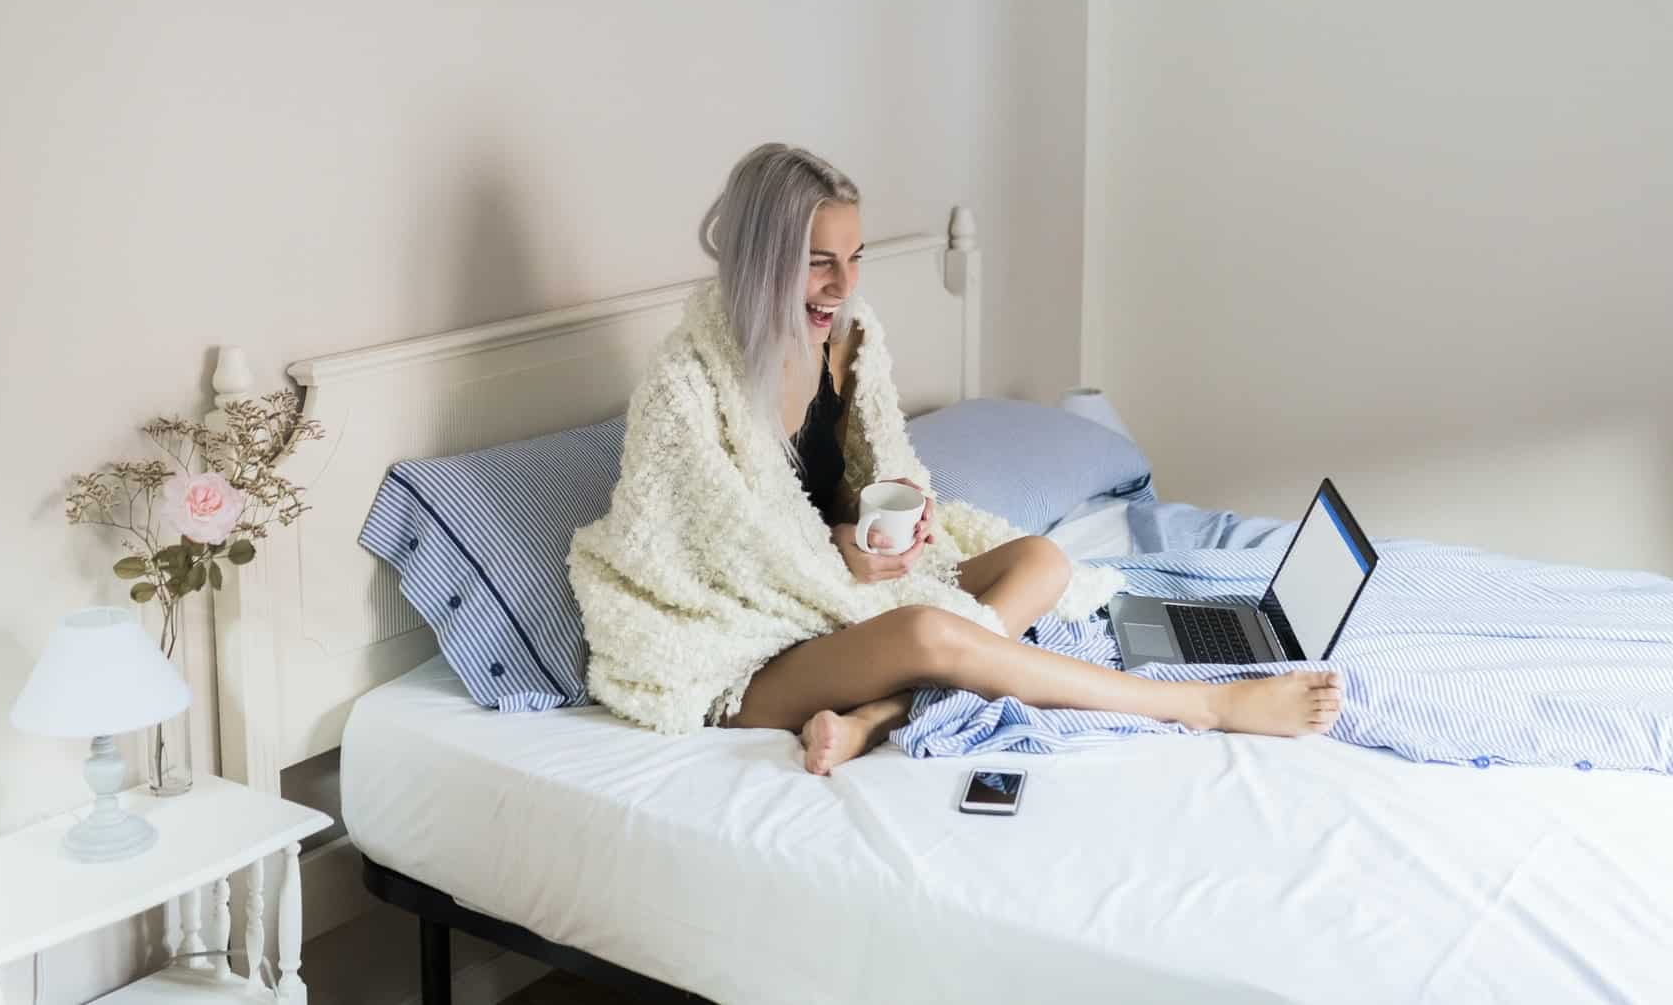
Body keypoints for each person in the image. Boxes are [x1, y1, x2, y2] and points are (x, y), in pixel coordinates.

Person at [568, 143, 1339, 773]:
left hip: (838, 604)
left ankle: (881, 712)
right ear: (761, 258)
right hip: (744, 648)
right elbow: (715, 550)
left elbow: (887, 460)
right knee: (926, 632)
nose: (843, 284)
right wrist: (837, 552)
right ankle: (1205, 705)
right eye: (818, 261)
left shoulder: (845, 338)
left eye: (855, 257)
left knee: (1040, 558)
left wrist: (907, 501)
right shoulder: (685, 386)